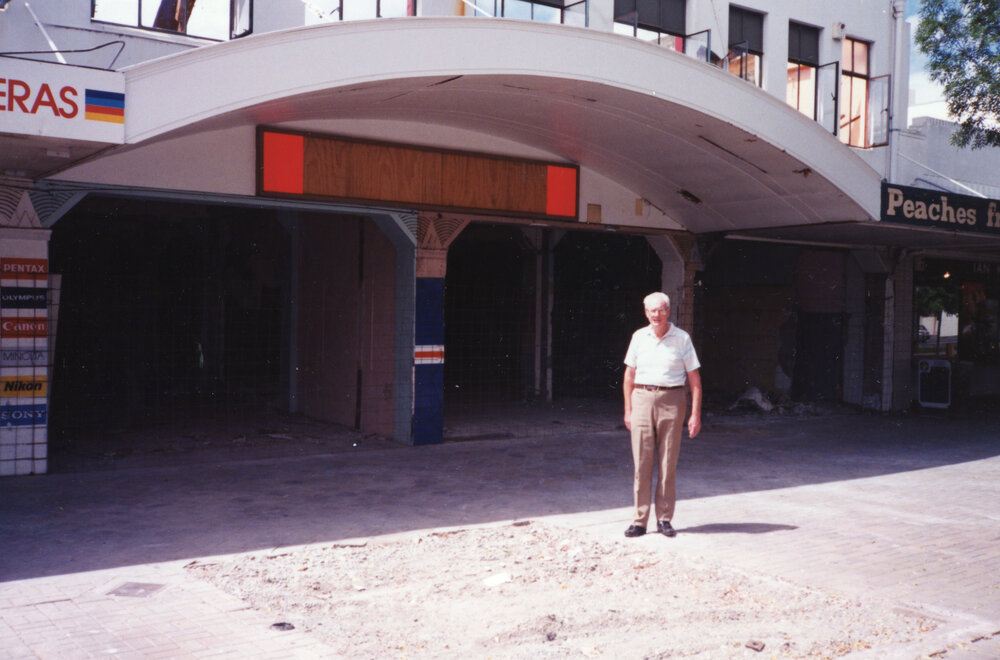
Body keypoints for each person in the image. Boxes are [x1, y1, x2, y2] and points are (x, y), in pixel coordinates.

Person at [622, 292, 702, 538]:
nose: (656, 315)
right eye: (651, 311)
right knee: (642, 463)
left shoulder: (682, 338)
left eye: (661, 310)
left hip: (672, 400)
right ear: (645, 313)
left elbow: (695, 380)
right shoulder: (639, 337)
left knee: (668, 462)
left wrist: (695, 414)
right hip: (642, 400)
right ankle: (639, 520)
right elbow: (629, 376)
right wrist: (628, 410)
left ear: (668, 311)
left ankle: (665, 518)